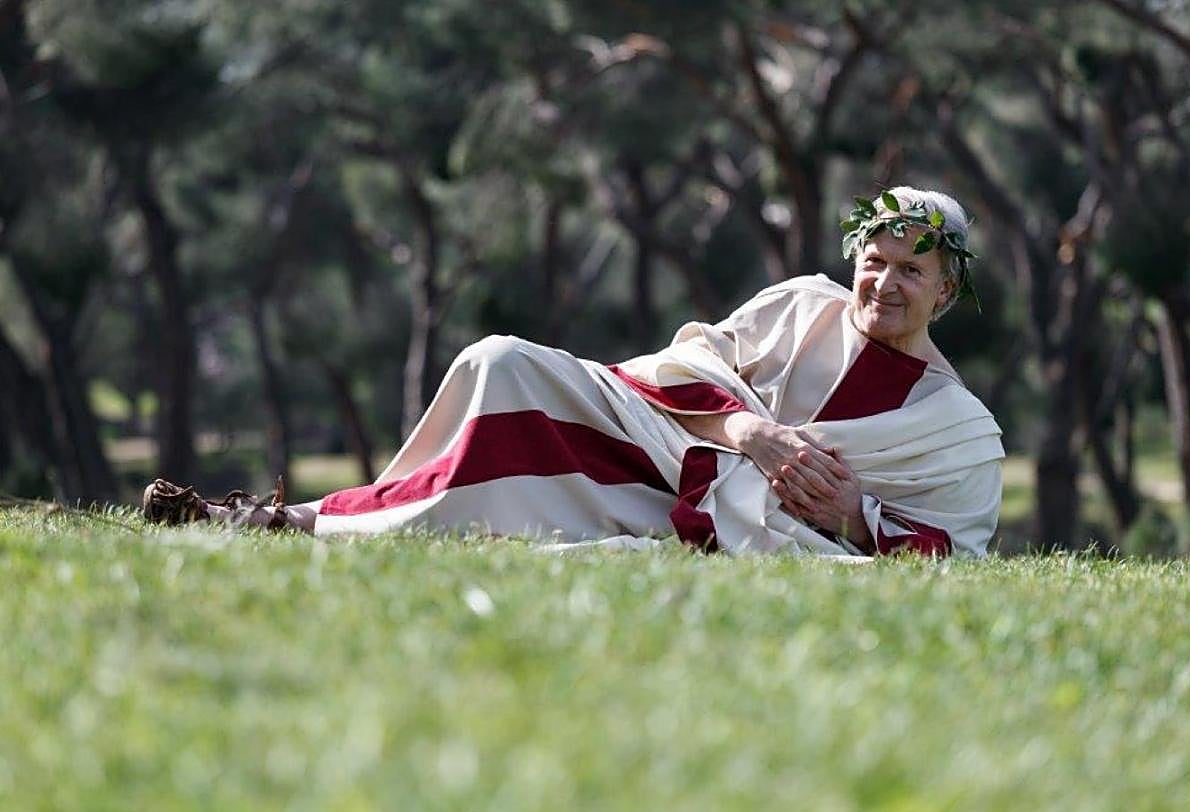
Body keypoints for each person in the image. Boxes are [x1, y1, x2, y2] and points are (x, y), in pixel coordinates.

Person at [144, 186, 1004, 556]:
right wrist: (749, 428)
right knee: (500, 361)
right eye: (874, 261)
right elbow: (689, 361)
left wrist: (854, 515)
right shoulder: (801, 302)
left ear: (945, 289)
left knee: (504, 490)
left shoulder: (958, 427)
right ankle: (288, 516)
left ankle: (283, 523)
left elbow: (953, 550)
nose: (884, 284)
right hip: (661, 440)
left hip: (736, 522)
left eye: (912, 271)